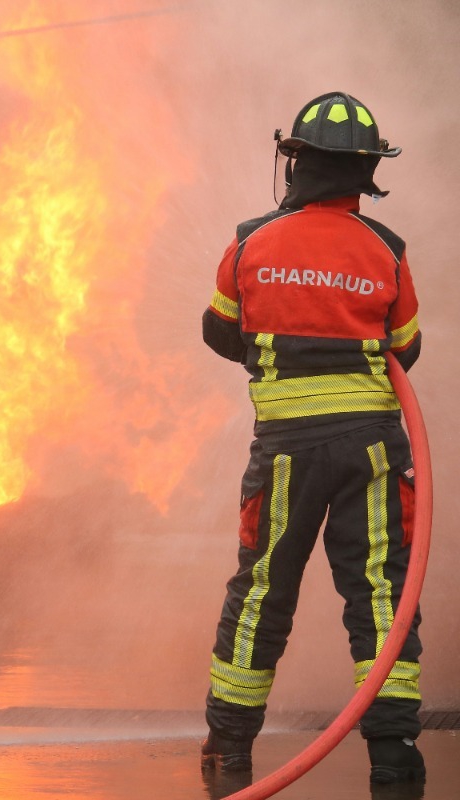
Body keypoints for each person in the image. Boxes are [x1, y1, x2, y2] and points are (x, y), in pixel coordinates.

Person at [199, 91, 426, 787]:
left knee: (264, 589)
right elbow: (406, 350)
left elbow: (220, 332)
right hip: (374, 454)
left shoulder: (251, 242)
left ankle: (229, 748)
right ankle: (393, 755)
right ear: (364, 172)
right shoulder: (386, 251)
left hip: (287, 454)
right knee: (382, 596)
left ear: (295, 161)